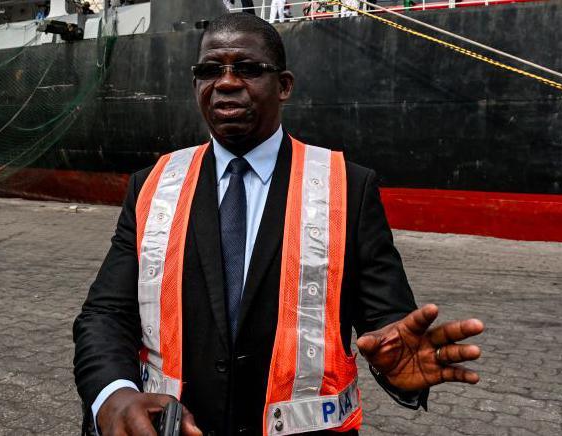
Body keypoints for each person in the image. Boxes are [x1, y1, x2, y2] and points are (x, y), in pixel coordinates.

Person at [73, 13, 484, 436]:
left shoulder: (348, 188)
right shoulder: (152, 186)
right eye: (210, 70)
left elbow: (389, 323)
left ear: (284, 85)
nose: (227, 82)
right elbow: (106, 314)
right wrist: (113, 394)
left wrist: (396, 364)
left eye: (248, 69)